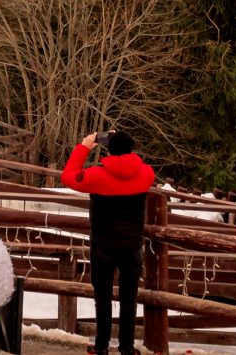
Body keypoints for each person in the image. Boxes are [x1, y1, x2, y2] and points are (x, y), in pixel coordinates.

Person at [62, 129, 155, 355]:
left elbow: (68, 176)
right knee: (129, 299)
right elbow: (136, 168)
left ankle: (102, 346)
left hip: (103, 246)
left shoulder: (97, 175)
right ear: (132, 149)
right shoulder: (146, 174)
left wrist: (85, 146)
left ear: (109, 149)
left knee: (102, 298)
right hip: (132, 247)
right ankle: (127, 347)